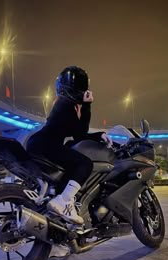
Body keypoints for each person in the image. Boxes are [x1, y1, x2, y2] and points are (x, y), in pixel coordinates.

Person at [27, 66, 112, 225]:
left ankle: (59, 217)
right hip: (45, 145)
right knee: (84, 163)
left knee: (67, 173)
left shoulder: (61, 103)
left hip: (39, 144)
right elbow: (80, 133)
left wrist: (99, 135)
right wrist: (87, 106)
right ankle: (64, 201)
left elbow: (76, 135)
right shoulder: (65, 105)